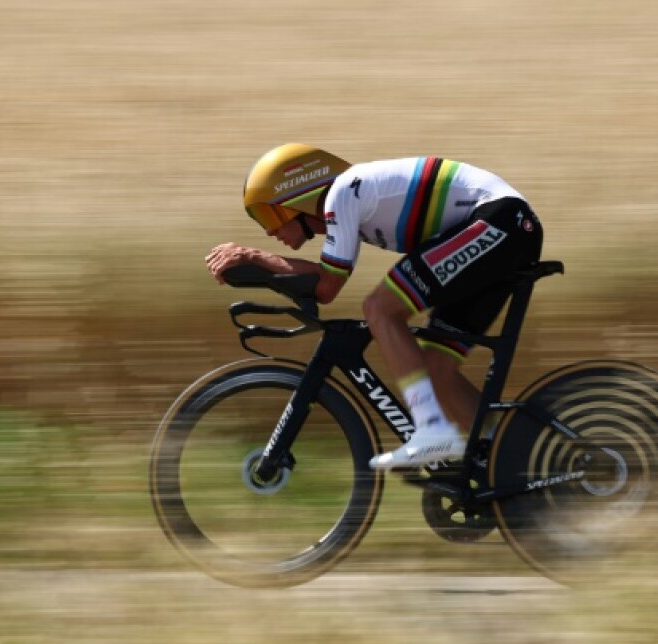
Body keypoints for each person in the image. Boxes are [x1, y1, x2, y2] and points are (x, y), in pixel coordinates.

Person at [205, 144, 543, 470]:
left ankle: (431, 428)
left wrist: (257, 259)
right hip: (505, 228)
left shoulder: (342, 193)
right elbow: (324, 282)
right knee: (436, 371)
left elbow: (326, 287)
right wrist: (258, 268)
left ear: (298, 197)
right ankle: (515, 460)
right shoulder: (350, 198)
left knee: (381, 309)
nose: (271, 229)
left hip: (501, 219)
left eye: (272, 213)